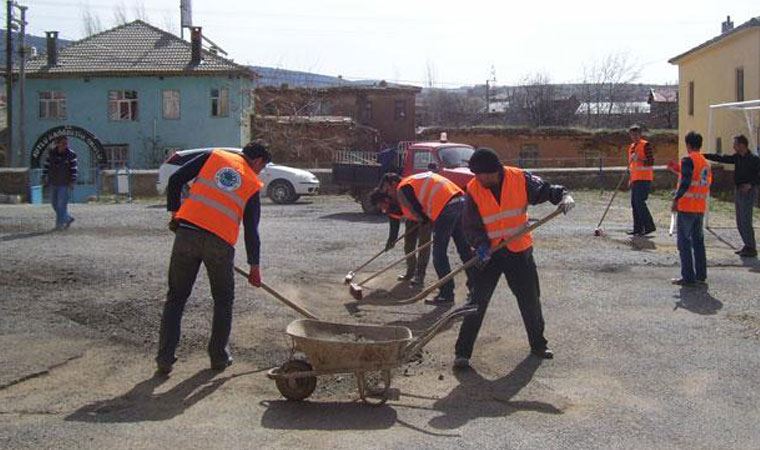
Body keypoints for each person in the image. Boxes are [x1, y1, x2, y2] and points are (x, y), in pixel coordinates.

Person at [156, 141, 271, 375]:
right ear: (258, 161)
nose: (260, 171)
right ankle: (218, 357)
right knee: (222, 300)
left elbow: (175, 179)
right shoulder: (251, 183)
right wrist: (254, 267)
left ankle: (164, 358)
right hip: (220, 245)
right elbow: (251, 230)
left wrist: (175, 214)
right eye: (263, 166)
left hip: (187, 234)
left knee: (176, 298)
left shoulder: (214, 156)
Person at [453, 148, 574, 368]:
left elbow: (545, 190)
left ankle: (538, 344)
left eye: (483, 175)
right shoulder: (473, 189)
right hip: (488, 254)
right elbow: (469, 225)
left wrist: (564, 196)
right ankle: (462, 353)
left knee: (529, 299)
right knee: (476, 302)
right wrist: (480, 245)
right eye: (476, 175)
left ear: (495, 171)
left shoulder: (519, 178)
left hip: (519, 250)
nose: (479, 179)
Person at [378, 172, 474, 305]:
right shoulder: (413, 181)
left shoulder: (402, 188)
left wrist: (424, 220)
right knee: (464, 250)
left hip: (446, 207)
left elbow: (416, 208)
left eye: (388, 190)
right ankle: (475, 291)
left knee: (439, 254)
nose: (389, 194)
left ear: (393, 184)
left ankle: (446, 295)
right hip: (459, 200)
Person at [704, 135, 760, 257]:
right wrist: (704, 155)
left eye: (735, 144)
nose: (733, 146)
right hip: (738, 190)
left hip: (748, 192)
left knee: (746, 220)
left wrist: (750, 184)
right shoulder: (737, 158)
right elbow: (722, 158)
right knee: (739, 220)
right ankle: (747, 245)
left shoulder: (754, 159)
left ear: (742, 145)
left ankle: (751, 247)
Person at [671, 131, 712, 287]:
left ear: (688, 144)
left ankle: (688, 277)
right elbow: (702, 182)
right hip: (699, 207)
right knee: (698, 242)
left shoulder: (688, 160)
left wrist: (676, 198)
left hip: (687, 206)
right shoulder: (705, 163)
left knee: (684, 243)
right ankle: (701, 275)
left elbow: (686, 181)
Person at [370, 189, 431, 285]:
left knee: (423, 246)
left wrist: (422, 219)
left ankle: (420, 275)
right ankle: (411, 272)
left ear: (386, 200)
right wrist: (391, 241)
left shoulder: (400, 198)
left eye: (381, 205)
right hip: (411, 218)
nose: (382, 209)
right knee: (408, 246)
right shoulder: (390, 209)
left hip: (423, 215)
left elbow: (417, 205)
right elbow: (394, 227)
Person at [627, 125, 656, 236]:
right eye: (632, 135)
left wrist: (639, 159)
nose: (634, 137)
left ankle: (649, 226)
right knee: (634, 203)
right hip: (635, 178)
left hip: (644, 178)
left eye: (636, 134)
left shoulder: (645, 145)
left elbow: (651, 161)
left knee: (640, 202)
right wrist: (630, 178)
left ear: (640, 134)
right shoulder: (631, 147)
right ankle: (637, 228)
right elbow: (631, 165)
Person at [43, 136, 78, 230]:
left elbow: (74, 169)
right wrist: (44, 176)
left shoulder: (71, 154)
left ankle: (59, 225)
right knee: (54, 203)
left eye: (66, 143)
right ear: (57, 144)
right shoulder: (51, 153)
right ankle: (67, 218)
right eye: (63, 143)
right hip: (53, 181)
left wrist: (72, 181)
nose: (65, 145)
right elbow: (46, 165)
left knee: (61, 204)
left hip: (64, 182)